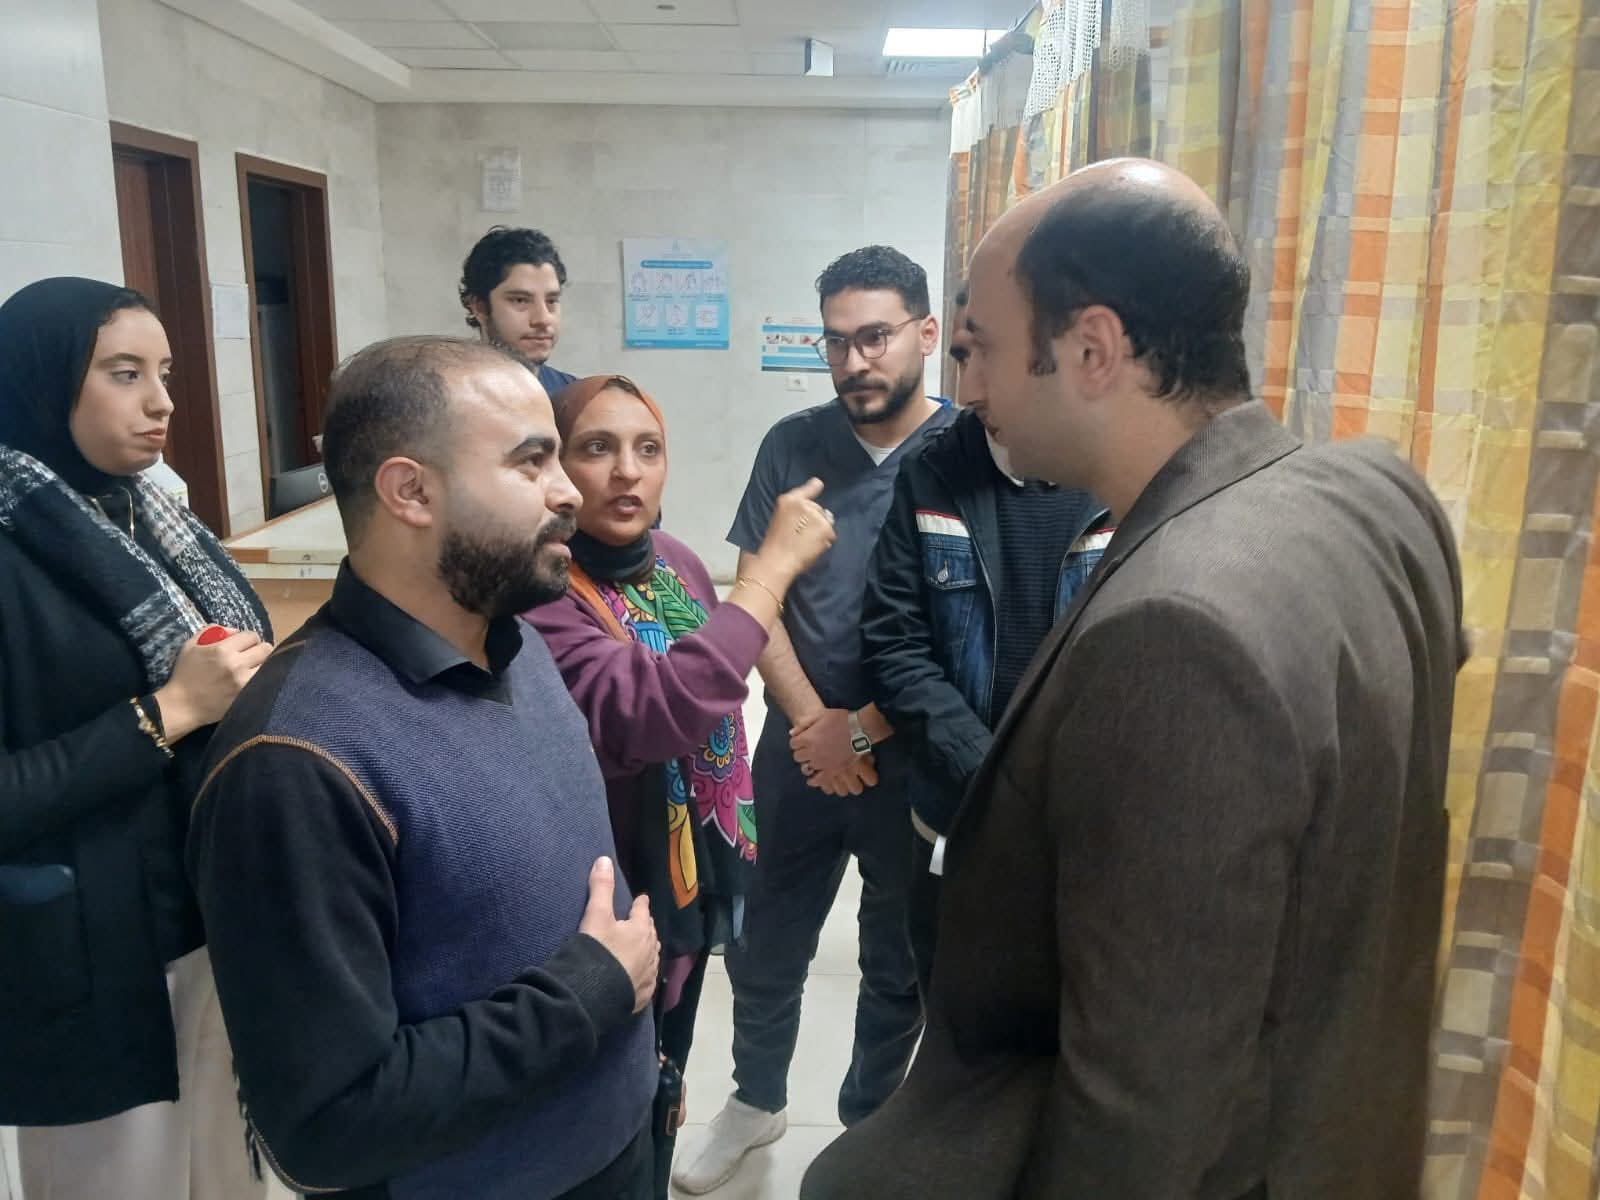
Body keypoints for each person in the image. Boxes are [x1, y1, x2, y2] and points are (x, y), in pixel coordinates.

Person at [803, 160, 1466, 1200]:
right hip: (1352, 1120)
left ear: (1092, 349)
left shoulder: (1176, 631)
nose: (968, 391)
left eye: (982, 348)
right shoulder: (1378, 492)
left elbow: (1138, 1109)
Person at [188, 337, 662, 1199]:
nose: (568, 492)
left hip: (615, 1147)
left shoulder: (517, 646)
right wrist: (589, 994)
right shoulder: (295, 760)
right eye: (531, 462)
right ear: (410, 491)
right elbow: (326, 1126)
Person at [672, 246, 956, 1196]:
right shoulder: (792, 444)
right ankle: (755, 1101)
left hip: (913, 757)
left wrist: (862, 730)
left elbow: (969, 634)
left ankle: (869, 1123)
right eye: (835, 342)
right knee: (762, 941)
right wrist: (811, 725)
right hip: (796, 750)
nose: (853, 361)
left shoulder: (969, 455)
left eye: (874, 337)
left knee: (895, 959)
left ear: (925, 333)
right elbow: (760, 593)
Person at [0, 277, 273, 1200]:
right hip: (90, 955)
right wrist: (167, 713)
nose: (161, 402)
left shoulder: (147, 518)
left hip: (207, 913)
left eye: (165, 373)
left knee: (224, 1176)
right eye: (125, 374)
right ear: (42, 381)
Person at [526, 375, 835, 1177]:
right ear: (556, 466)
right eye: (597, 448)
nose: (627, 471)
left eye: (648, 449)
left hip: (689, 885)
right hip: (606, 892)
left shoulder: (678, 564)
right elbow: (649, 710)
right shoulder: (543, 590)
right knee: (604, 1097)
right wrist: (767, 575)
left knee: (664, 1074)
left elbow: (717, 699)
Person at [861, 285, 1112, 997]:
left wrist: (1051, 801)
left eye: (988, 357)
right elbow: (895, 648)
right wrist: (991, 779)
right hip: (956, 821)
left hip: (1084, 832)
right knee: (949, 1008)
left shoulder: (1126, 483)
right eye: (961, 355)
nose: (966, 389)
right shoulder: (934, 471)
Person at [460, 226, 577, 399]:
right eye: (520, 300)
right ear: (480, 307)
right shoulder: (449, 399)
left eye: (551, 301)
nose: (543, 319)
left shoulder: (577, 400)